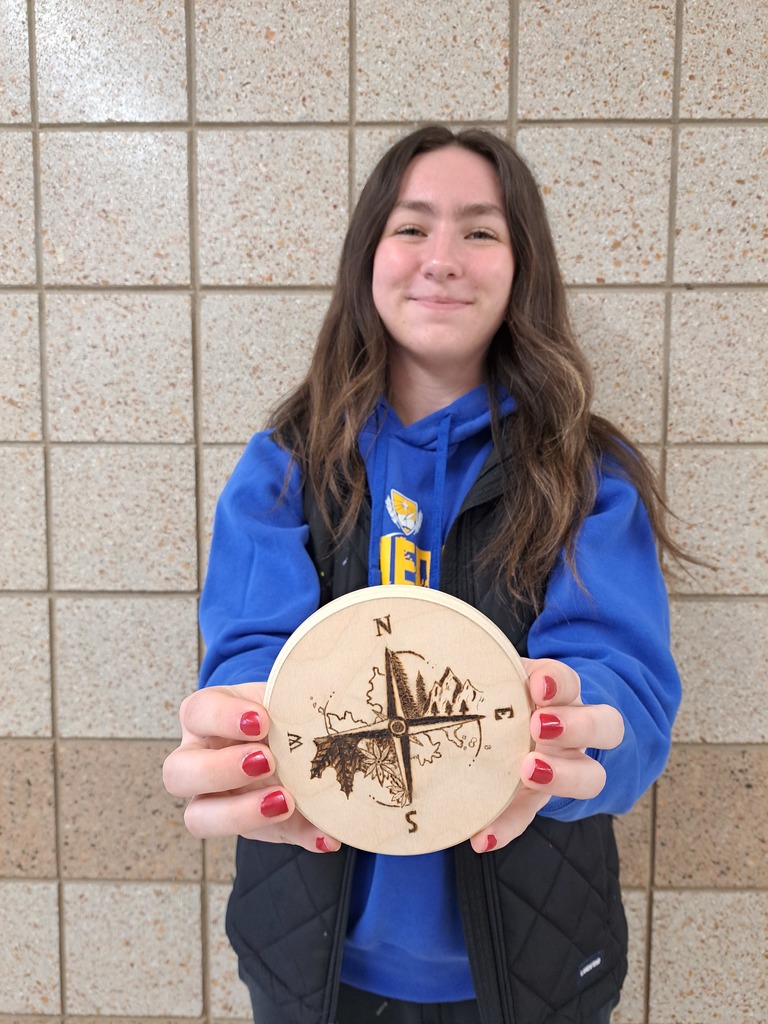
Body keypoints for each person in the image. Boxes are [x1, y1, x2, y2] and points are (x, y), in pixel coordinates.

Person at [163, 126, 685, 1024]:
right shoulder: (283, 466)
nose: (442, 258)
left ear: (523, 268)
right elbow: (251, 652)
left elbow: (623, 687)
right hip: (311, 966)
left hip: (539, 969)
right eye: (411, 227)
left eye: (481, 231)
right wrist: (242, 731)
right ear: (367, 257)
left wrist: (577, 732)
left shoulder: (586, 476)